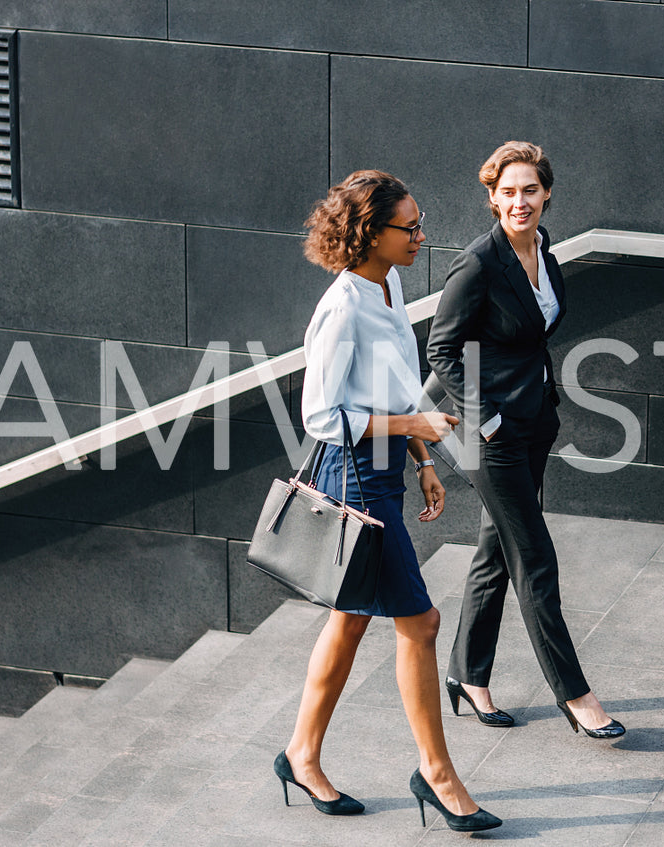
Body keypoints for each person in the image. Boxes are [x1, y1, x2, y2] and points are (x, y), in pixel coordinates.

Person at [274, 170, 500, 833]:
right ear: (369, 234)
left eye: (419, 221)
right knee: (421, 621)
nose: (421, 236)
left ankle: (301, 754)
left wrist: (421, 459)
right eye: (410, 226)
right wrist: (411, 430)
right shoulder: (343, 305)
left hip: (384, 467)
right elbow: (321, 416)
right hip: (350, 475)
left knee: (349, 619)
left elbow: (396, 383)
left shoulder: (387, 282)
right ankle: (436, 772)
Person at [427, 141, 624, 739]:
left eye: (530, 190)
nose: (520, 201)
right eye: (508, 192)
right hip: (492, 439)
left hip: (535, 422)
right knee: (534, 557)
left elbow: (535, 332)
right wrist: (483, 418)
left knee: (494, 551)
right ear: (492, 198)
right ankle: (577, 696)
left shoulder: (545, 249)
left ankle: (467, 675)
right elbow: (441, 349)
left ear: (546, 194)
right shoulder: (478, 264)